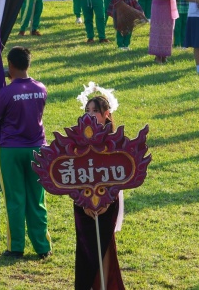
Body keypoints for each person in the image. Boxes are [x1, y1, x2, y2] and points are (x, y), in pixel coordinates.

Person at [0, 46, 52, 259]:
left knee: (15, 200)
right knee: (37, 199)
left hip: (11, 150)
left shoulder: (6, 92)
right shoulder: (41, 88)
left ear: (10, 65)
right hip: (37, 149)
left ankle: (16, 248)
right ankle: (43, 247)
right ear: (28, 63)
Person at [74, 93, 126, 290]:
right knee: (85, 248)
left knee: (105, 247)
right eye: (87, 110)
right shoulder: (77, 141)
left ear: (106, 114)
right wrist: (83, 203)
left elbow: (120, 175)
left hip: (108, 203)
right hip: (83, 204)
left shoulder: (114, 141)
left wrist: (106, 202)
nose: (90, 114)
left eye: (95, 111)